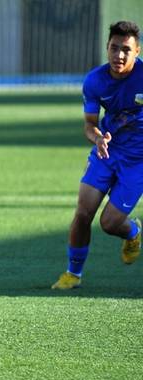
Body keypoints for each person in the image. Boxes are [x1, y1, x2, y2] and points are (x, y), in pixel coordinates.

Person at [52, 21, 143, 290]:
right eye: (114, 48)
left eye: (126, 50)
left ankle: (133, 232)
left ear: (137, 51)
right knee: (83, 213)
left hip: (137, 162)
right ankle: (73, 274)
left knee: (109, 223)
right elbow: (89, 124)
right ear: (107, 48)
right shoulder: (95, 80)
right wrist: (98, 138)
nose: (119, 55)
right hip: (107, 152)